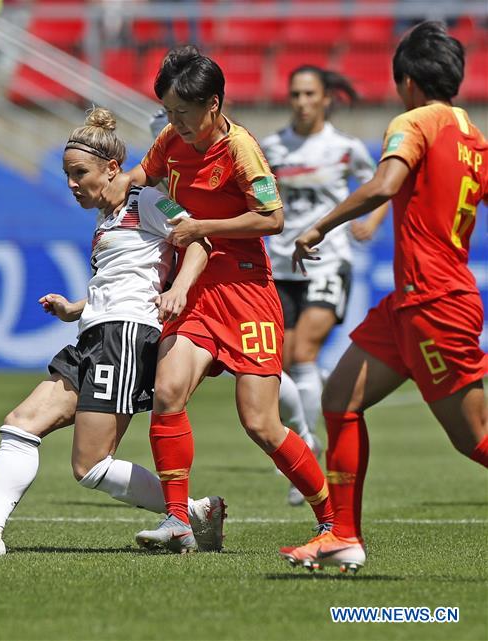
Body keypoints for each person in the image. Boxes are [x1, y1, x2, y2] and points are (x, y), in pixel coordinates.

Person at [0, 107, 226, 556]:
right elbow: (120, 279)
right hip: (93, 333)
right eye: (66, 174)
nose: (70, 184)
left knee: (90, 466)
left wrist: (179, 289)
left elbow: (198, 241)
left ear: (111, 169)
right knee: (19, 426)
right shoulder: (105, 221)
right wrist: (74, 308)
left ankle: (191, 511)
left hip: (125, 336)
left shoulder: (146, 200)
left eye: (78, 173)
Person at [106, 47, 333, 553]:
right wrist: (116, 182)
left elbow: (272, 219)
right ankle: (178, 522)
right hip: (196, 286)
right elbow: (145, 176)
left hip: (246, 289)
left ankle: (332, 518)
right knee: (167, 393)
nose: (174, 123)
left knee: (261, 423)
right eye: (167, 112)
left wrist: (203, 226)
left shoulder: (241, 150)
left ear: (213, 104)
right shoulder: (171, 139)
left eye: (182, 113)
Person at [280, 21, 487, 573]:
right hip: (411, 303)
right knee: (339, 399)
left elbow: (385, 183)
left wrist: (320, 226)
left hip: (435, 304)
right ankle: (341, 536)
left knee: (475, 440)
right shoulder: (474, 138)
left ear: (408, 82)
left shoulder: (415, 121)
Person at [260, 66, 391, 506]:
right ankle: (306, 441)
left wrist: (370, 222)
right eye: (295, 93)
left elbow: (381, 186)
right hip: (279, 265)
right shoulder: (273, 146)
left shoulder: (345, 147)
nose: (301, 101)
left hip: (327, 261)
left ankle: (310, 441)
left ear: (325, 98)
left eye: (309, 94)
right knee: (274, 364)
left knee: (303, 354)